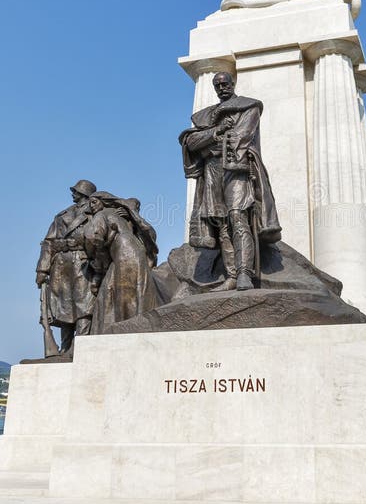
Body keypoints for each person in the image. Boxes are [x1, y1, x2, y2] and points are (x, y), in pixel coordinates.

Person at [179, 72, 281, 291]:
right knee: (221, 223)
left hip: (236, 169)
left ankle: (245, 273)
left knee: (237, 217)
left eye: (225, 83)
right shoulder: (205, 115)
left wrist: (213, 142)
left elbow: (241, 136)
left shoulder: (248, 107)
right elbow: (191, 142)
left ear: (233, 83)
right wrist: (217, 132)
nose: (222, 87)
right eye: (217, 85)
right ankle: (232, 275)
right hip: (212, 172)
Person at [36, 179, 98, 355]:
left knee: (83, 306)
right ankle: (65, 347)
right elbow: (48, 243)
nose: (73, 193)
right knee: (64, 308)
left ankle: (81, 346)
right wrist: (42, 269)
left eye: (76, 191)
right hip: (61, 265)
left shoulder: (95, 214)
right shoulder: (62, 215)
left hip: (83, 263)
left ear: (84, 194)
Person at [83, 192, 159, 332]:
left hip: (124, 254)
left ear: (104, 201)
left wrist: (97, 260)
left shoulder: (102, 214)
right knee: (134, 290)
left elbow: (93, 238)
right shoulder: (122, 216)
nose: (91, 206)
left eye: (94, 202)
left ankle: (123, 327)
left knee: (120, 293)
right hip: (135, 253)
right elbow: (151, 235)